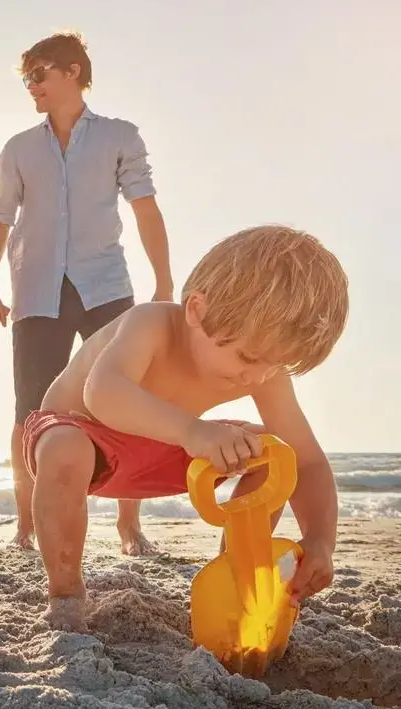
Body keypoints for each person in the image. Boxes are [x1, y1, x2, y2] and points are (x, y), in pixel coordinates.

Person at [20, 225, 349, 631]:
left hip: (165, 451)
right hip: (87, 438)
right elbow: (102, 393)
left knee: (273, 452)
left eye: (275, 365)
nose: (259, 377)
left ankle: (234, 574)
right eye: (248, 356)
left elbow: (308, 460)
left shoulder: (261, 371)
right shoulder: (151, 324)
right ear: (197, 310)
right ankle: (66, 596)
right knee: (66, 446)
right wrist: (195, 432)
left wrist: (320, 539)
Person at [0, 31, 174, 556]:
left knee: (131, 400)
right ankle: (27, 525)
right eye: (26, 78)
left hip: (106, 285)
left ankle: (129, 526)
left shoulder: (119, 136)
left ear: (70, 72)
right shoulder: (18, 148)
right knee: (30, 410)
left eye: (37, 74)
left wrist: (164, 283)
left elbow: (145, 209)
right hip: (36, 289)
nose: (31, 86)